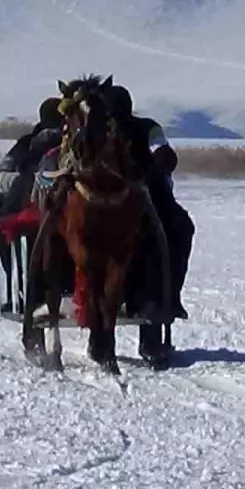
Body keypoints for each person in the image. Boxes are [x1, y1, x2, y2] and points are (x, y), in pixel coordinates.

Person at [106, 84, 195, 360]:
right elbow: (164, 153)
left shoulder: (146, 128)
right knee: (179, 231)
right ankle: (158, 321)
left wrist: (151, 172)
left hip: (148, 196)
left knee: (180, 228)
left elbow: (163, 153)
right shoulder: (136, 128)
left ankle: (166, 302)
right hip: (121, 201)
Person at [0, 97, 64, 312]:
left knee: (4, 223)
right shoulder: (78, 141)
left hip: (34, 212)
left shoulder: (25, 144)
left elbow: (2, 177)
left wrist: (18, 184)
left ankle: (14, 278)